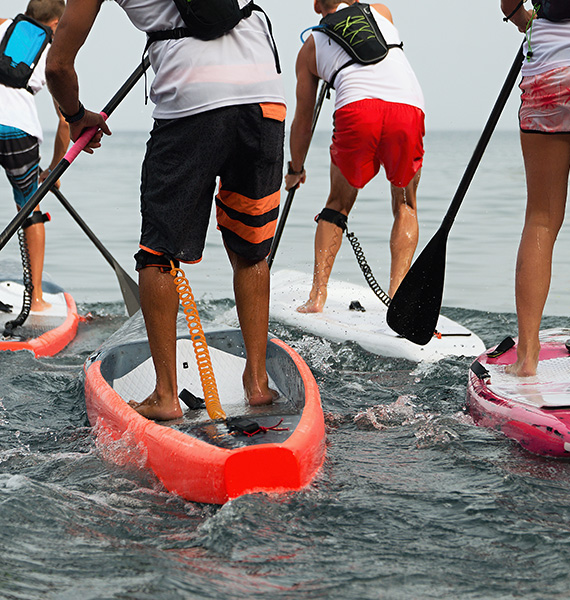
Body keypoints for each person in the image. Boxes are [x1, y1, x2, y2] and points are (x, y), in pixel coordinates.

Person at [46, 0, 286, 419]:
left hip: (191, 102)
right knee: (251, 249)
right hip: (264, 96)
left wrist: (75, 115)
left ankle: (165, 396)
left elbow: (57, 67)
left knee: (158, 255)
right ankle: (259, 383)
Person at [285, 0, 425, 313]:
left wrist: (295, 168)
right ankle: (398, 300)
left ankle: (317, 298)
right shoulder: (381, 12)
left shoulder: (311, 47)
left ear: (316, 5)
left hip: (357, 109)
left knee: (338, 204)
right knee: (405, 203)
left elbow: (303, 121)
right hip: (408, 107)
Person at [501, 0, 570, 376]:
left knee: (541, 218)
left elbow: (510, 4)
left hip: (548, 69)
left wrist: (525, 22)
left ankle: (527, 357)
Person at [0, 0, 69, 312]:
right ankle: (37, 299)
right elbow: (66, 121)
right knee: (30, 208)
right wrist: (53, 171)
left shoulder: (3, 25)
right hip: (18, 131)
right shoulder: (53, 52)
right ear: (56, 24)